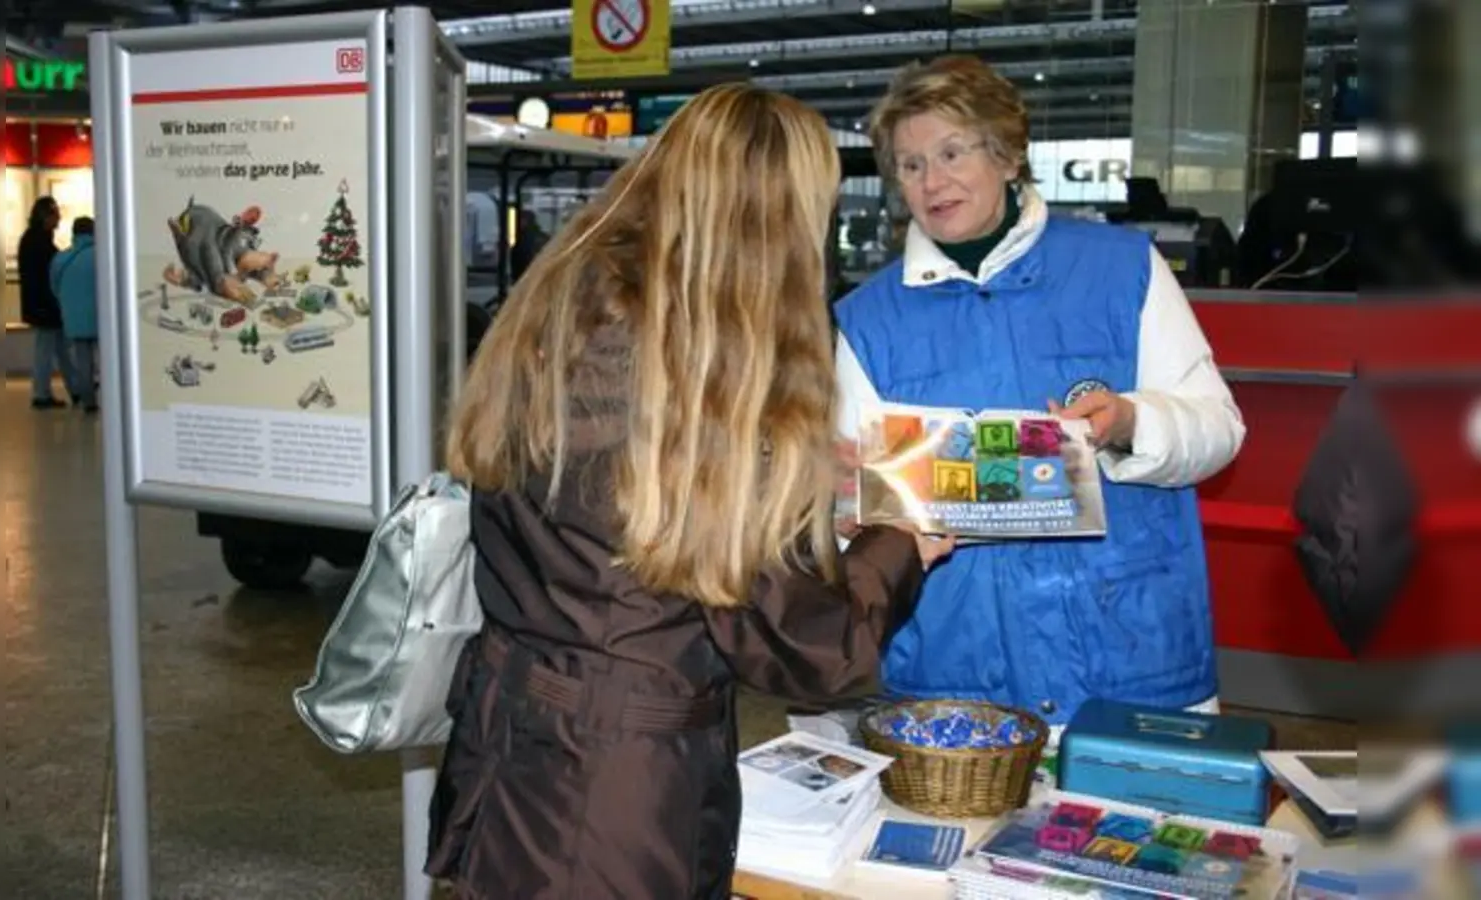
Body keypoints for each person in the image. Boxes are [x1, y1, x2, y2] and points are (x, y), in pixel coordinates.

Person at [429, 83, 952, 900]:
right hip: (620, 799)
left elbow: (608, 507)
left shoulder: (563, 301)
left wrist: (793, 485)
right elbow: (806, 649)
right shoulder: (704, 386)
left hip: (514, 739)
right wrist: (900, 544)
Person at [832, 57, 1246, 738]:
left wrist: (1131, 421)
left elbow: (1219, 429)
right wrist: (845, 503)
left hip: (1129, 651)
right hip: (956, 666)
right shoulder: (868, 321)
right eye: (910, 165)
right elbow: (844, 495)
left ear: (1007, 153)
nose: (933, 181)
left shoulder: (1122, 268)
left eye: (952, 152)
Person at [18, 196, 81, 409]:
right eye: (55, 214)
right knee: (48, 351)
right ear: (45, 215)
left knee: (58, 349)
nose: (59, 218)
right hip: (45, 306)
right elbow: (45, 275)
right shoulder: (39, 241)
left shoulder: (34, 238)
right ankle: (42, 394)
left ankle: (75, 390)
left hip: (43, 305)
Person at [50, 217, 99, 413]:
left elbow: (54, 288)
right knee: (107, 359)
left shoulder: (60, 258)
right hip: (101, 316)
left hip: (74, 317)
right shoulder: (101, 255)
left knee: (82, 359)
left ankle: (88, 402)